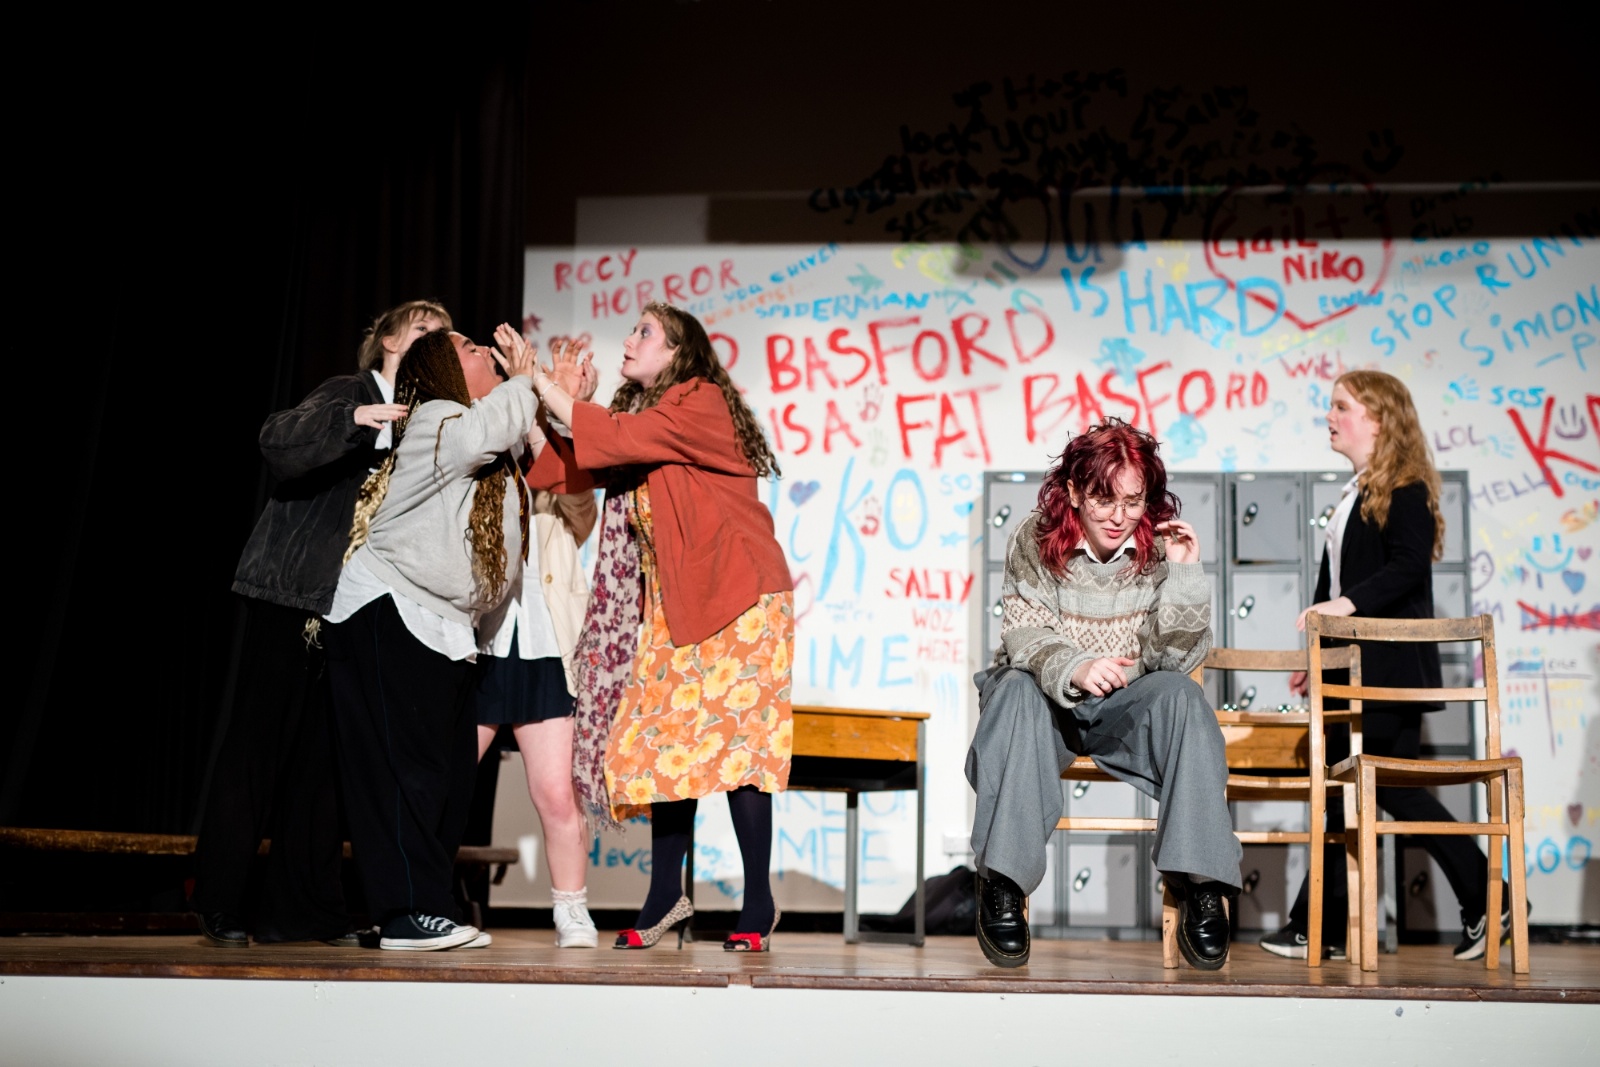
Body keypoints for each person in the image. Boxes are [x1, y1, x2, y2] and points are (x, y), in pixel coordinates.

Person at [528, 302, 793, 952]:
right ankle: (665, 893)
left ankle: (758, 901)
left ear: (678, 352)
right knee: (662, 746)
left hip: (739, 596)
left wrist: (545, 384)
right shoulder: (643, 419)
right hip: (676, 604)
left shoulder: (699, 401)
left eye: (645, 331)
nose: (630, 338)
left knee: (738, 751)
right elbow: (574, 467)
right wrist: (551, 404)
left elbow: (610, 437)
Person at [192, 299, 448, 947]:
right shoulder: (350, 392)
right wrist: (355, 420)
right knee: (258, 747)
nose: (433, 341)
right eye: (422, 329)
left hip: (353, 610)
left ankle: (303, 910)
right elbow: (277, 439)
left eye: (442, 335)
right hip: (291, 594)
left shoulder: (427, 420)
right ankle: (219, 900)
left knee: (324, 762)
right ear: (389, 340)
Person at [965, 417, 1238, 969]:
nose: (1118, 517)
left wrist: (1185, 577)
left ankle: (1201, 883)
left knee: (1184, 699)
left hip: (1121, 709)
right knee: (1013, 689)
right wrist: (1078, 666)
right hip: (1043, 705)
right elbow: (1023, 632)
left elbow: (1174, 662)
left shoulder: (1158, 549)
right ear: (1073, 492)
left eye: (1133, 502)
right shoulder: (1035, 538)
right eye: (1104, 500)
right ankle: (1003, 882)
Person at [1262, 369, 1512, 962]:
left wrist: (1345, 607)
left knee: (1381, 784)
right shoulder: (1355, 493)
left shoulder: (1405, 488)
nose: (1329, 417)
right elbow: (1332, 585)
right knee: (1348, 785)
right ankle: (1321, 924)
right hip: (1350, 666)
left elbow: (1407, 567)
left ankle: (1324, 924)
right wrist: (1316, 656)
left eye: (1341, 407)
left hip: (1386, 669)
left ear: (1378, 419)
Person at [324, 324, 538, 951]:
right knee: (405, 773)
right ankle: (402, 912)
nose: (485, 352)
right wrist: (525, 379)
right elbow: (488, 430)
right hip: (389, 606)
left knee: (450, 780)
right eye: (471, 349)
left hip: (445, 624)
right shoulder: (438, 421)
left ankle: (426, 906)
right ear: (444, 371)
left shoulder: (483, 441)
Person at [473, 350, 600, 948]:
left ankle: (571, 909)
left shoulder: (565, 459)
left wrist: (554, 417)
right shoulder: (482, 442)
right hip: (481, 640)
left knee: (555, 792)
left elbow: (580, 512)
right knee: (445, 782)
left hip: (546, 643)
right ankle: (417, 899)